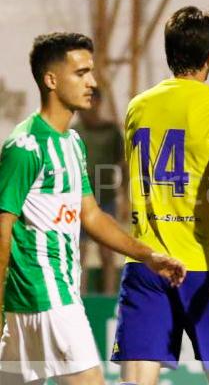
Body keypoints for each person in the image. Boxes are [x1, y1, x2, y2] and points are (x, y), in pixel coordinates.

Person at [0, 32, 185, 385]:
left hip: (34, 305)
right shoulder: (25, 146)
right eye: (81, 73)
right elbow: (2, 232)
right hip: (50, 300)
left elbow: (92, 216)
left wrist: (148, 255)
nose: (93, 82)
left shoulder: (72, 143)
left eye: (91, 72)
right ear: (51, 80)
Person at [110, 7, 209, 385]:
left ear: (168, 53)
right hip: (204, 266)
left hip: (147, 263)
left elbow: (156, 179)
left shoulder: (137, 106)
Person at [73, 88, 125, 294]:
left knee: (107, 252)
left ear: (98, 103)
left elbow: (123, 164)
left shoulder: (111, 132)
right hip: (78, 201)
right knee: (80, 252)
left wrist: (125, 196)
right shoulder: (75, 132)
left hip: (105, 200)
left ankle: (110, 297)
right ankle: (80, 297)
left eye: (92, 101)